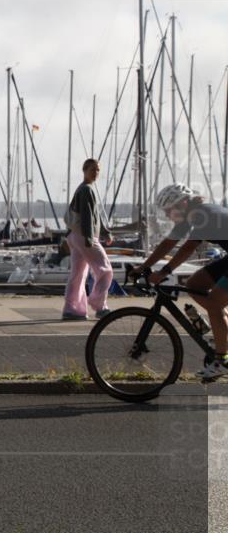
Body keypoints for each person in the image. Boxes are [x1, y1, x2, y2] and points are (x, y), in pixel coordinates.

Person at [132, 183, 228, 380]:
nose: (167, 216)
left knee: (215, 302)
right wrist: (142, 267)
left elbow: (187, 249)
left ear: (183, 204)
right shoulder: (191, 216)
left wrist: (165, 271)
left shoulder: (203, 215)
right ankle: (220, 332)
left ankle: (222, 360)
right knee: (195, 284)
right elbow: (168, 243)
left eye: (169, 211)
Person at [62, 159, 114, 320]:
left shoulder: (85, 189)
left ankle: (72, 309)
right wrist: (90, 239)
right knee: (105, 270)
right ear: (84, 170)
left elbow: (94, 216)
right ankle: (99, 305)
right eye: (92, 169)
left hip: (75, 236)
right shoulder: (86, 190)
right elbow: (87, 216)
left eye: (98, 170)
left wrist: (105, 231)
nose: (96, 173)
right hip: (85, 236)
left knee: (78, 274)